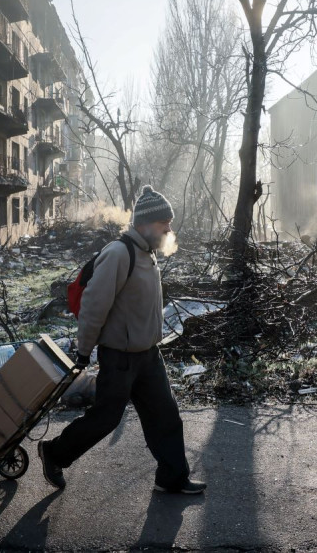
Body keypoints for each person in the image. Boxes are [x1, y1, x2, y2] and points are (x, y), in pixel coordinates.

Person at [38, 186, 206, 495]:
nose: (169, 228)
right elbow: (93, 306)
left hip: (148, 356)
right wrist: (84, 350)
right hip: (120, 357)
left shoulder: (147, 254)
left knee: (165, 417)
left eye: (169, 221)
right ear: (144, 223)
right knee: (105, 418)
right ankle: (54, 453)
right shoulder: (119, 253)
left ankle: (171, 477)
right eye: (163, 222)